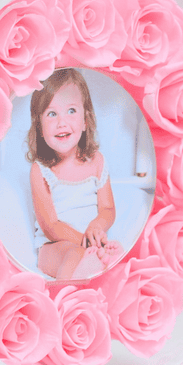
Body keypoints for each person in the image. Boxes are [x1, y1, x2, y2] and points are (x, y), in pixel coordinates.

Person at [29, 69, 123, 280]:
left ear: (85, 121)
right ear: (40, 128)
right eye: (52, 114)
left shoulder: (97, 161)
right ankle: (66, 302)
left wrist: (96, 227)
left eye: (71, 110)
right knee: (73, 255)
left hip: (89, 243)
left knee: (111, 253)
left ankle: (103, 271)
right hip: (54, 247)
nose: (62, 122)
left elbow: (107, 208)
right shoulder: (41, 170)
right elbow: (51, 226)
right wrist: (85, 241)